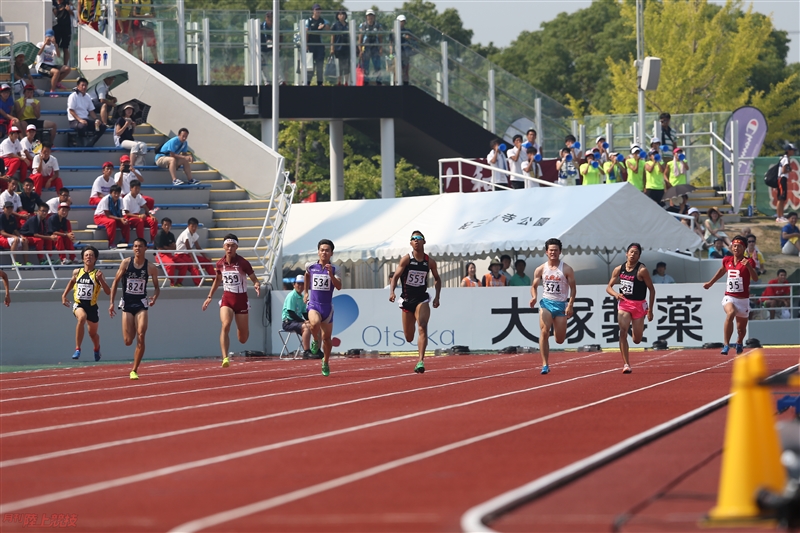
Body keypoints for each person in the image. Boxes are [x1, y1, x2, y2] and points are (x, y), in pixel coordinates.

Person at [202, 234, 261, 368]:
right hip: (227, 299)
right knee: (225, 324)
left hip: (241, 300)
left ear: (236, 247)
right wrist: (210, 296)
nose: (230, 248)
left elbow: (254, 279)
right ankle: (225, 357)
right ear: (224, 247)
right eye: (227, 246)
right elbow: (217, 280)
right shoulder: (220, 264)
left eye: (232, 246)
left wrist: (257, 284)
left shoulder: (243, 263)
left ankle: (241, 327)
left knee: (243, 339)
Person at [389, 231, 441, 373]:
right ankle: (418, 357)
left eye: (419, 238)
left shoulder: (429, 262)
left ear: (424, 242)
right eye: (413, 239)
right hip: (406, 300)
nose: (416, 241)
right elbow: (395, 277)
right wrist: (392, 292)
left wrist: (437, 296)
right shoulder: (406, 260)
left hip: (421, 299)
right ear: (411, 243)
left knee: (422, 326)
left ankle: (420, 361)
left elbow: (437, 278)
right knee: (409, 337)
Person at [109, 238, 160, 380]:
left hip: (141, 304)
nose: (137, 248)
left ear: (145, 249)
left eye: (140, 246)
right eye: (135, 246)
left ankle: (134, 369)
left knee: (141, 335)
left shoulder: (150, 267)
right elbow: (115, 282)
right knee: (128, 341)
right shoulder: (126, 263)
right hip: (127, 303)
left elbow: (157, 287)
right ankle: (131, 339)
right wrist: (112, 302)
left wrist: (155, 297)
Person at [703, 235, 758, 355]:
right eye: (734, 246)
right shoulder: (727, 260)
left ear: (744, 248)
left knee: (741, 329)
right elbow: (722, 271)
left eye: (739, 246)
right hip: (730, 296)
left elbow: (755, 278)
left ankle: (739, 341)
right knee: (730, 313)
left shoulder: (749, 261)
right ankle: (726, 344)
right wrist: (710, 283)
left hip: (743, 300)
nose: (736, 248)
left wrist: (748, 266)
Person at [606, 243, 655, 373]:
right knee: (622, 331)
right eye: (631, 252)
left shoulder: (642, 270)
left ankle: (635, 331)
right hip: (624, 303)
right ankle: (626, 364)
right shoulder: (618, 269)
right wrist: (616, 294)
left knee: (637, 340)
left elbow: (651, 289)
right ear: (626, 254)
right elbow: (609, 287)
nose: (633, 255)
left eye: (636, 253)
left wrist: (650, 309)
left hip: (639, 305)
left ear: (639, 256)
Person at [530, 238, 576, 375]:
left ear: (560, 252)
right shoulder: (540, 269)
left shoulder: (567, 269)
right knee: (544, 331)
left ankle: (557, 329)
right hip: (546, 303)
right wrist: (534, 297)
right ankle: (545, 364)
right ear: (546, 252)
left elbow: (573, 289)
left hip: (561, 305)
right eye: (551, 250)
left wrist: (570, 305)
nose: (553, 253)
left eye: (556, 250)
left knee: (560, 339)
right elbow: (534, 286)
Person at [62, 246, 111, 360]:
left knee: (93, 334)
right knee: (82, 318)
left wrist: (101, 280)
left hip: (92, 307)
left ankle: (96, 348)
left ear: (95, 259)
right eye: (86, 255)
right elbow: (71, 282)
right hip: (79, 304)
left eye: (91, 255)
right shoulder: (77, 272)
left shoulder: (98, 274)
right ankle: (78, 349)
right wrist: (64, 295)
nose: (89, 257)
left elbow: (108, 292)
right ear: (83, 259)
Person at [304, 239, 342, 376]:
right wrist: (306, 292)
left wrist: (331, 274)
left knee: (327, 339)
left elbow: (339, 286)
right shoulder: (311, 266)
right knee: (314, 323)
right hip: (314, 304)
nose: (324, 252)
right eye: (322, 250)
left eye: (327, 250)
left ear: (331, 253)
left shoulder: (336, 268)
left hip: (327, 308)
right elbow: (307, 275)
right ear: (318, 252)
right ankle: (315, 340)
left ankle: (325, 362)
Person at [172, 217, 215, 286]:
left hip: (188, 255)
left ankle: (216, 280)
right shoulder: (186, 234)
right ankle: (198, 284)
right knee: (194, 266)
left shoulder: (193, 234)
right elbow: (188, 248)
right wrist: (194, 261)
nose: (194, 228)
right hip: (181, 255)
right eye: (192, 226)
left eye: (195, 227)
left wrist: (205, 257)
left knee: (207, 262)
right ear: (188, 226)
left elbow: (198, 247)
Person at [67, 77, 106, 147]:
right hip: (74, 121)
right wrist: (80, 120)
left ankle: (90, 143)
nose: (84, 87)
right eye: (82, 85)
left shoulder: (87, 96)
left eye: (85, 85)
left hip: (85, 120)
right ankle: (82, 144)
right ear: (78, 86)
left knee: (102, 126)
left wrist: (96, 119)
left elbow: (91, 111)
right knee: (82, 126)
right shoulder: (73, 96)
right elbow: (71, 111)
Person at [282, 274, 313, 357]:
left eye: (302, 284)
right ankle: (306, 351)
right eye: (298, 284)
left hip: (296, 322)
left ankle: (316, 349)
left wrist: (312, 320)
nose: (300, 286)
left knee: (314, 325)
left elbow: (304, 313)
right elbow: (291, 312)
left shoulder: (302, 297)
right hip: (288, 322)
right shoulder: (292, 296)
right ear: (294, 284)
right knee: (306, 327)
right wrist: (304, 321)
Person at [36, 30, 71, 94]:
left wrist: (55, 45)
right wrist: (44, 44)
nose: (49, 38)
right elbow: (38, 53)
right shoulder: (40, 44)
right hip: (42, 65)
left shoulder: (53, 46)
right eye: (47, 36)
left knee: (67, 69)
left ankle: (56, 82)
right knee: (56, 72)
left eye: (50, 37)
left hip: (52, 65)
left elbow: (58, 55)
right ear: (45, 37)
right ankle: (52, 90)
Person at [358, 9, 385, 85]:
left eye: (372, 15)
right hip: (366, 48)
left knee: (377, 65)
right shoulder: (362, 25)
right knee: (365, 65)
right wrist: (360, 50)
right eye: (369, 15)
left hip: (375, 47)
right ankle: (366, 81)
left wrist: (381, 48)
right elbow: (360, 39)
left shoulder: (378, 25)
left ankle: (378, 81)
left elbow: (380, 38)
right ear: (366, 16)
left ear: (374, 16)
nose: (370, 17)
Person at [0, 200, 31, 265]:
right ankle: (13, 263)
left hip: (10, 237)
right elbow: (2, 232)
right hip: (2, 237)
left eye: (11, 208)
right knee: (15, 240)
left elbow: (15, 230)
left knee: (24, 241)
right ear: (3, 209)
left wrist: (21, 236)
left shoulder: (12, 217)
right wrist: (14, 236)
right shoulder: (1, 217)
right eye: (7, 208)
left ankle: (26, 263)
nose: (9, 210)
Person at [305, 4, 328, 86]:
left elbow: (329, 27)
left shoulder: (322, 20)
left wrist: (324, 26)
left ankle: (320, 82)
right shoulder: (308, 21)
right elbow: (306, 32)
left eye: (319, 10)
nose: (318, 11)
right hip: (310, 45)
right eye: (316, 10)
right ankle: (307, 82)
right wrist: (306, 44)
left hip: (319, 46)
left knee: (320, 65)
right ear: (313, 11)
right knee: (310, 66)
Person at [775, 143, 795, 224]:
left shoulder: (785, 158)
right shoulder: (785, 159)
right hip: (782, 178)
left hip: (782, 179)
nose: (793, 152)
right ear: (788, 151)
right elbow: (783, 170)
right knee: (781, 198)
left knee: (782, 198)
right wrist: (789, 170)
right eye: (791, 150)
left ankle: (781, 216)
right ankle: (779, 216)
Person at [329, 10, 350, 85]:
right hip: (338, 48)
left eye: (343, 14)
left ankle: (346, 82)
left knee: (347, 66)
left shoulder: (348, 25)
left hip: (347, 48)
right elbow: (332, 36)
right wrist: (332, 47)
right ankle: (339, 81)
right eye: (340, 14)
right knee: (339, 66)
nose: (342, 16)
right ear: (337, 16)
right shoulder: (335, 25)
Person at [52, 0, 74, 67]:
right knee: (55, 46)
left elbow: (73, 14)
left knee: (65, 47)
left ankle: (65, 65)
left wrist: (69, 10)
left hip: (66, 27)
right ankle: (53, 63)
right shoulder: (53, 3)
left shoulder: (67, 3)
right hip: (56, 27)